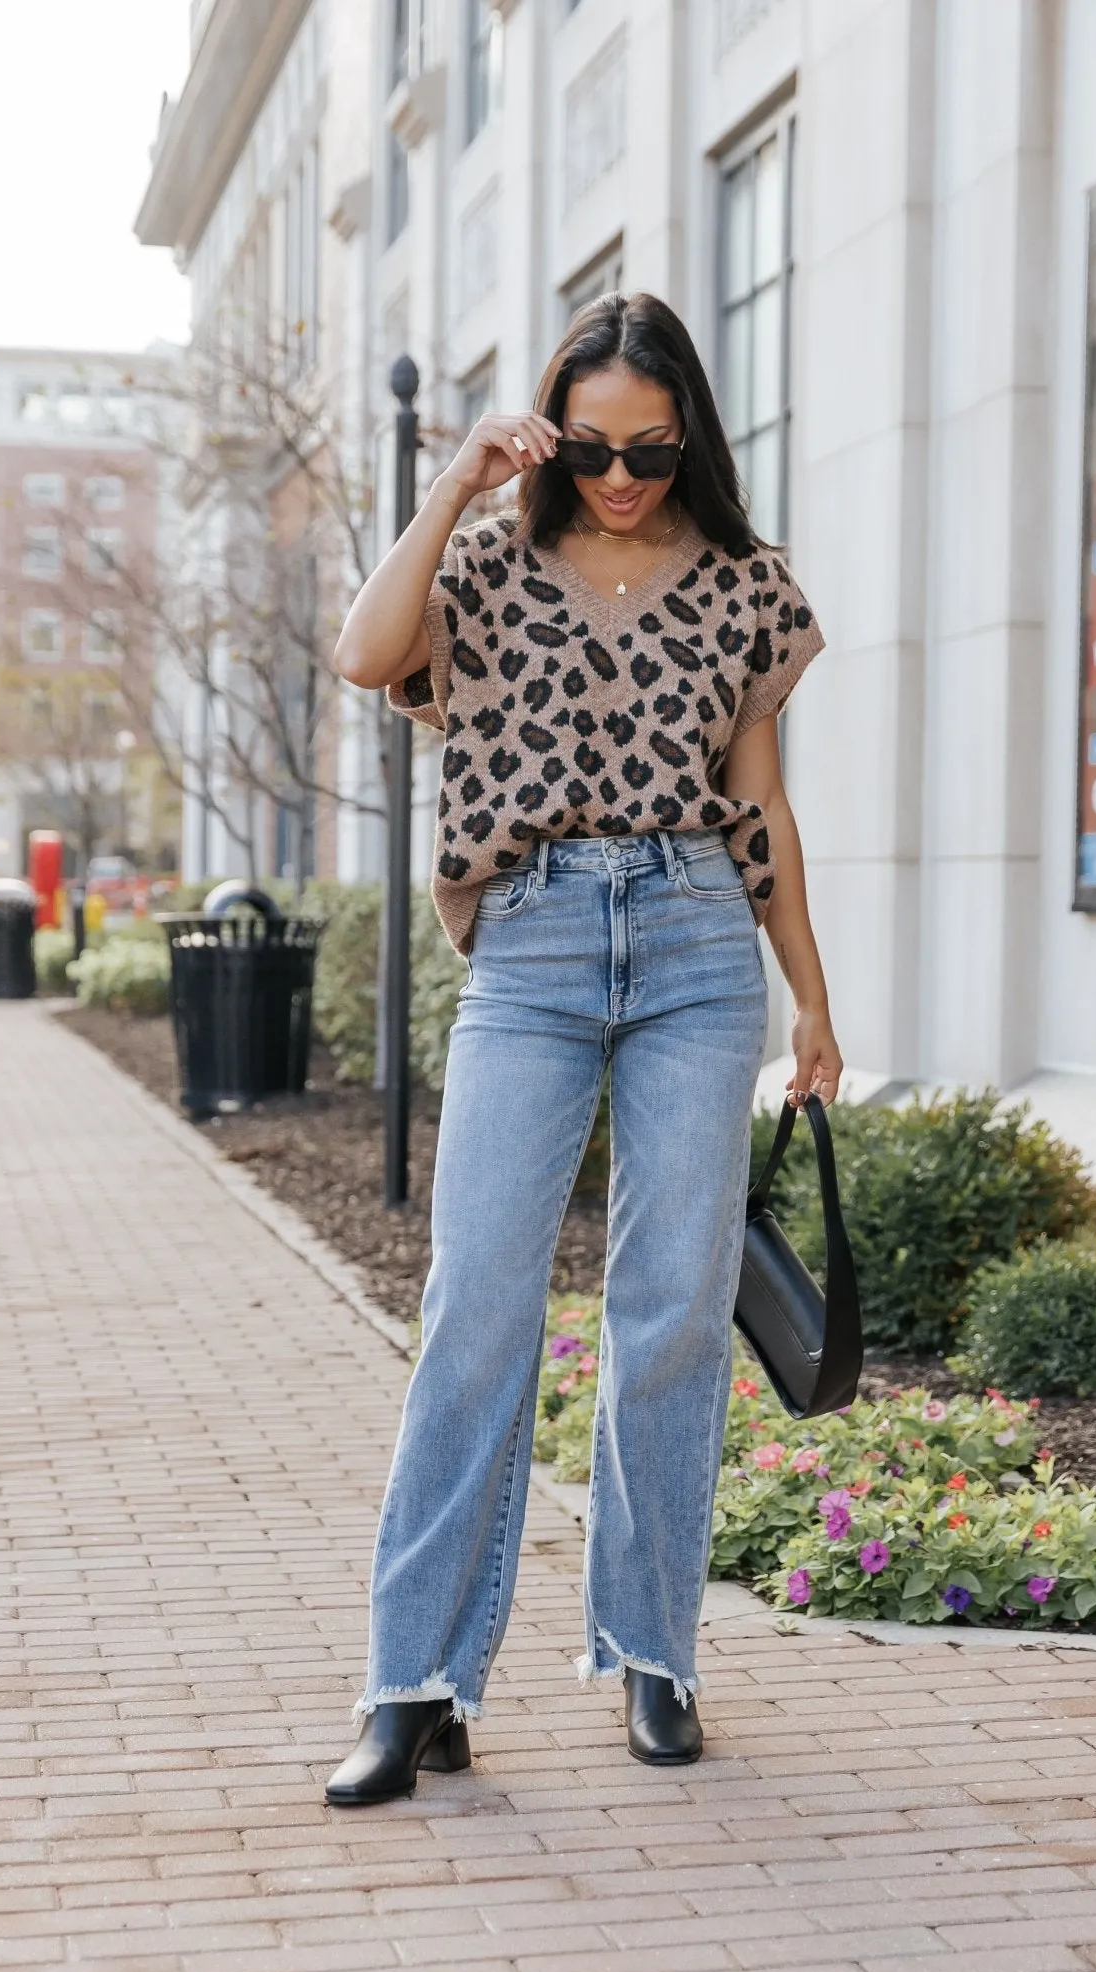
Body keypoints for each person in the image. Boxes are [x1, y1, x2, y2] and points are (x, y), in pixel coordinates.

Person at [326, 292, 841, 1805]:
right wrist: (451, 483)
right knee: (477, 1303)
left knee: (671, 1312)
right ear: (556, 433)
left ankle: (653, 1654)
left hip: (694, 939)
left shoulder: (745, 584)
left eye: (655, 451)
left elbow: (761, 809)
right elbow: (367, 655)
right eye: (599, 448)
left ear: (691, 439)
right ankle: (416, 1684)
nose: (624, 478)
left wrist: (812, 999)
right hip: (534, 943)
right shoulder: (484, 564)